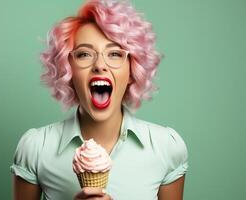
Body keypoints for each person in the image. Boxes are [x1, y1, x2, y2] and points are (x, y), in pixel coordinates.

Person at [10, 0, 189, 199]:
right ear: (67, 70)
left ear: (132, 69)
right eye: (84, 54)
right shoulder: (36, 148)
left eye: (114, 53)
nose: (100, 65)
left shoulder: (166, 147)